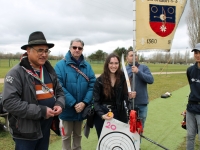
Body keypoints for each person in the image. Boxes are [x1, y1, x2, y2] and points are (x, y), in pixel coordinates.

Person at [2, 31, 65, 150]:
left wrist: (59, 104)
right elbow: (9, 102)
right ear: (28, 50)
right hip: (25, 133)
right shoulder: (16, 73)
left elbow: (60, 92)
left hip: (45, 129)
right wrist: (41, 111)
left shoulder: (49, 71)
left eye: (46, 51)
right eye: (40, 50)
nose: (44, 54)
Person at [54, 38, 96, 150]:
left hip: (81, 110)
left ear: (82, 49)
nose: (77, 50)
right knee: (66, 136)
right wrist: (73, 103)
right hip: (67, 108)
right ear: (70, 48)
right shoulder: (59, 66)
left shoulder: (87, 66)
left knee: (78, 136)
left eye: (80, 48)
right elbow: (58, 86)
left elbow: (93, 85)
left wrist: (84, 102)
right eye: (74, 47)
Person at [93, 53, 136, 139]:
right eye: (111, 63)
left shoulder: (123, 78)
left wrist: (130, 96)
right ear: (107, 64)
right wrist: (102, 115)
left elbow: (125, 98)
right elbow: (95, 102)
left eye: (116, 63)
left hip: (119, 113)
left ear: (119, 64)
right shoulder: (99, 80)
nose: (114, 66)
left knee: (118, 141)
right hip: (103, 114)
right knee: (105, 142)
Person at [126, 49, 154, 129]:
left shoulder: (144, 68)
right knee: (129, 128)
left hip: (141, 104)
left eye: (135, 55)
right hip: (129, 104)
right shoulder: (124, 70)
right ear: (127, 58)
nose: (134, 57)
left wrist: (138, 72)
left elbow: (151, 80)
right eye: (131, 55)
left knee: (139, 129)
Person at [186, 43, 200, 150]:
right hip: (191, 108)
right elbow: (192, 88)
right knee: (190, 136)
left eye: (199, 53)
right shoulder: (190, 70)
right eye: (196, 52)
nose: (198, 55)